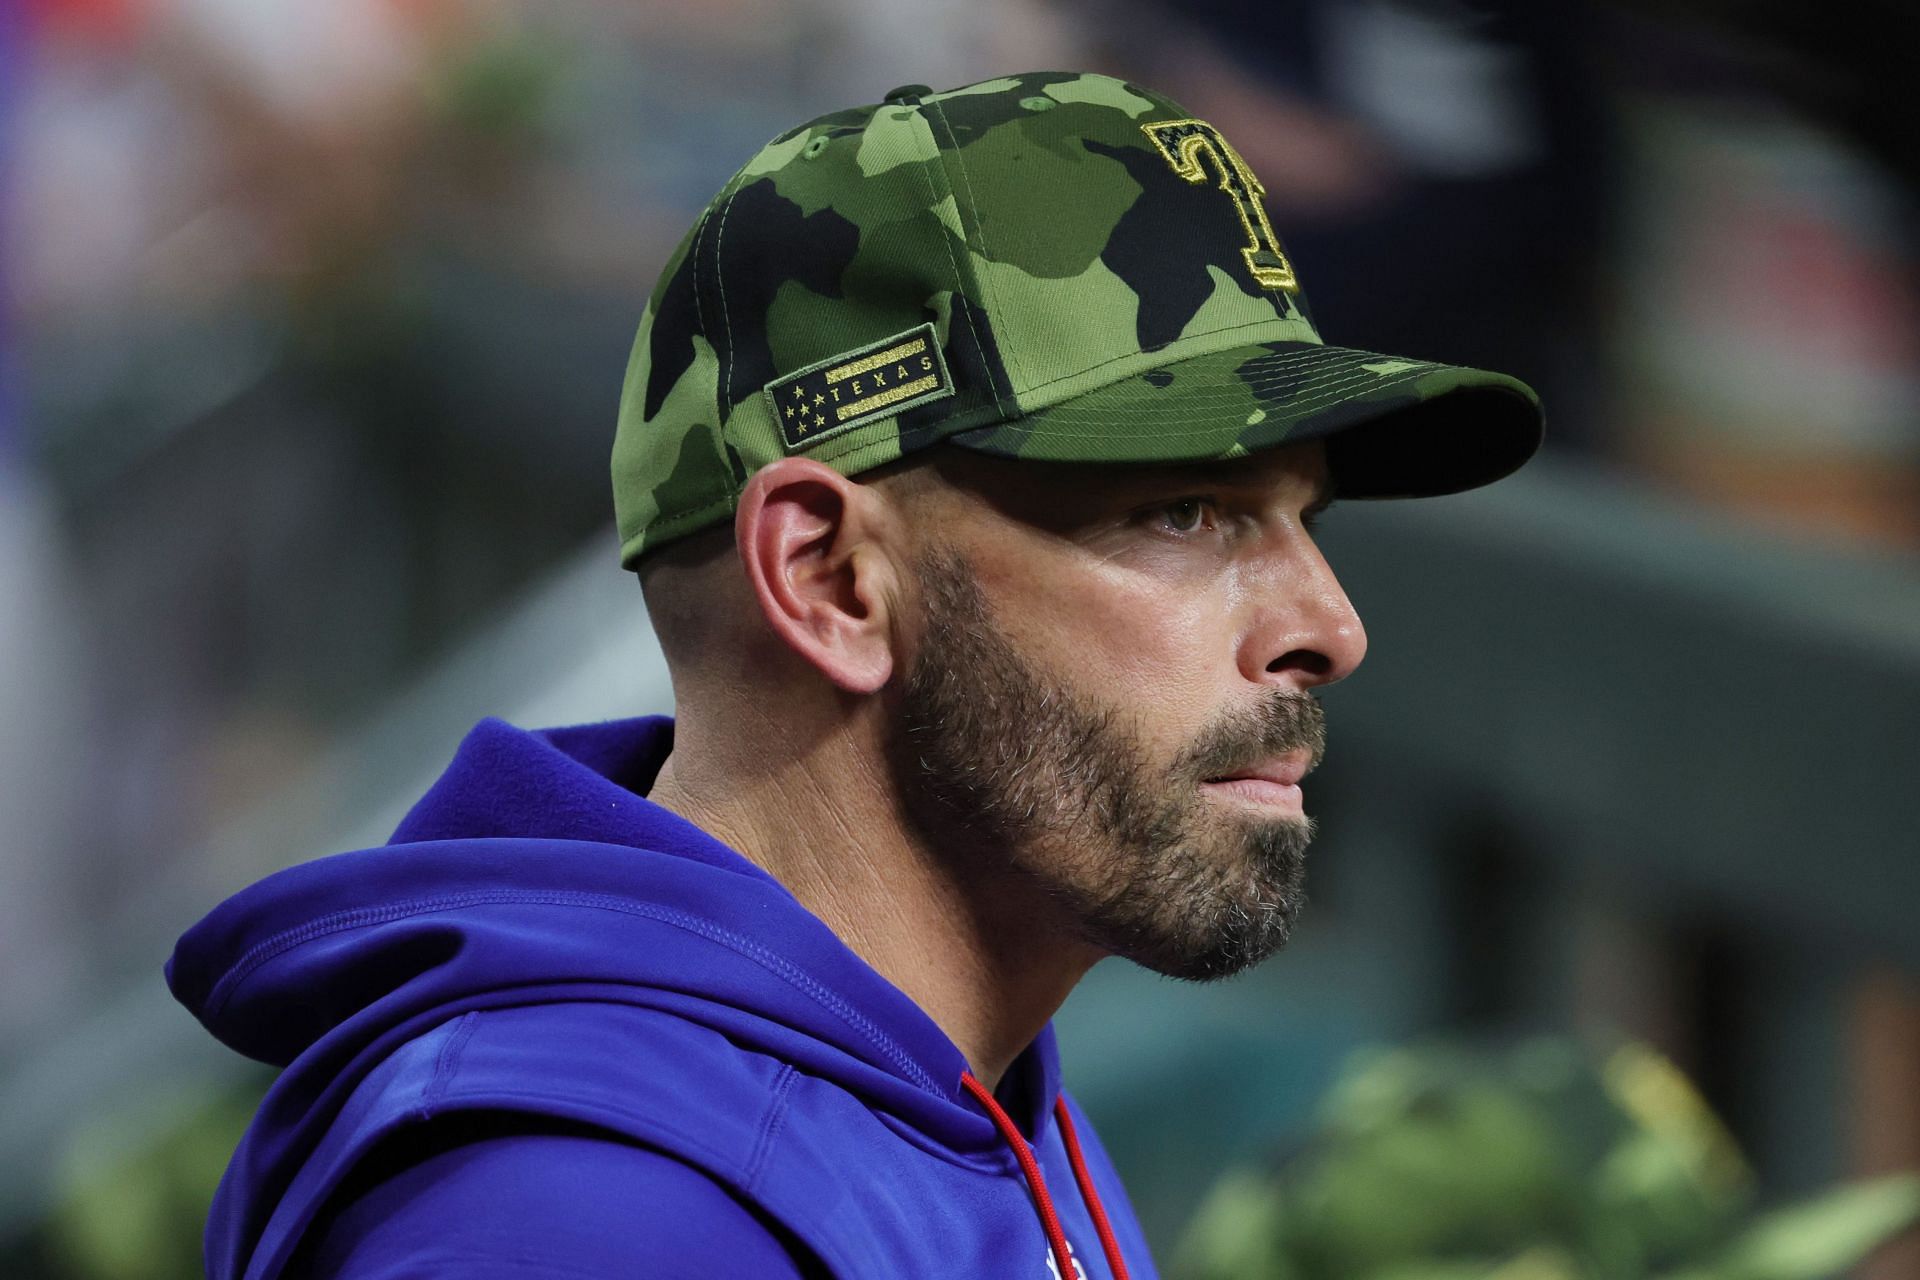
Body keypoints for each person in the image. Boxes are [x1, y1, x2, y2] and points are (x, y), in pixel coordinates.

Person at [168, 71, 1542, 1280]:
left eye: (1310, 518)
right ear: (828, 581)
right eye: (1184, 512)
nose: (1330, 625)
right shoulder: (591, 1225)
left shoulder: (955, 1077)